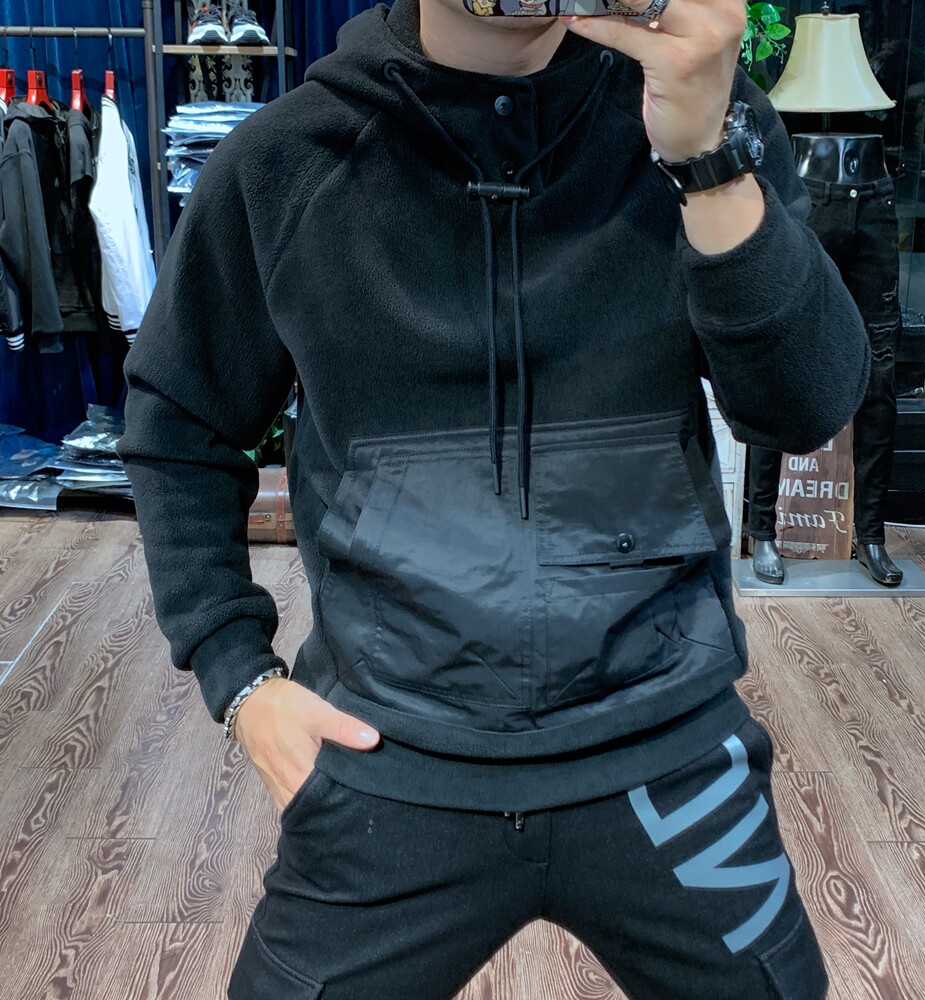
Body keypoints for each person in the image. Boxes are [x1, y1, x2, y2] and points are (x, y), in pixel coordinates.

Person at [117, 0, 870, 996]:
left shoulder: (699, 118)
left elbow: (806, 408)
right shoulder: (287, 162)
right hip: (389, 755)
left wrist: (705, 163)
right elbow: (178, 423)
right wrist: (241, 680)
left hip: (668, 753)